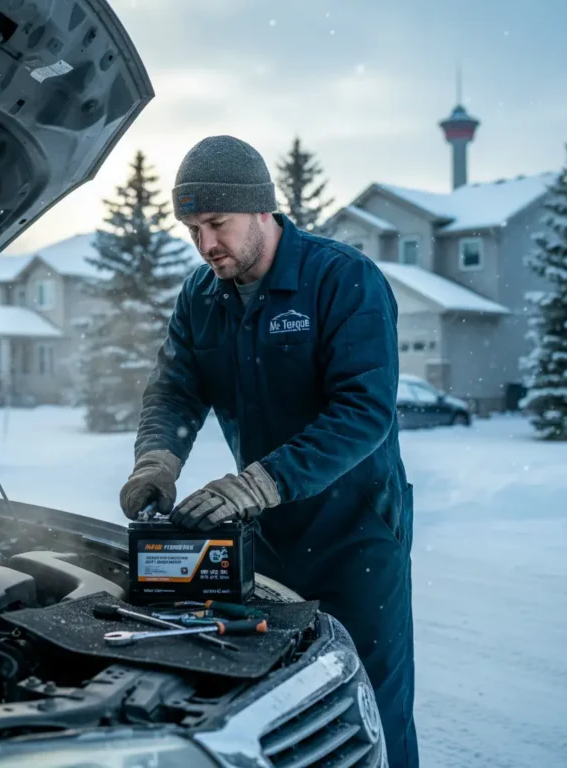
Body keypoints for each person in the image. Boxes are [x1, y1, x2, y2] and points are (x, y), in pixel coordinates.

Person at [119, 135, 418, 768]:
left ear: (261, 210)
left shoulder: (341, 280)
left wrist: (258, 482)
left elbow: (364, 412)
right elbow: (175, 390)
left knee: (370, 707)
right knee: (275, 703)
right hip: (268, 533)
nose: (205, 245)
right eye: (192, 229)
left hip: (358, 531)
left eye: (216, 224)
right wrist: (158, 460)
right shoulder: (201, 297)